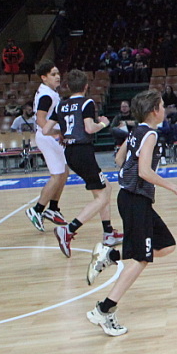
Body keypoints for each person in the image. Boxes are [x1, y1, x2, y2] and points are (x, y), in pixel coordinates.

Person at [85, 89, 177, 336]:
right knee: (142, 258)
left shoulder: (137, 131)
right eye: (162, 106)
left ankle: (110, 256)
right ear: (155, 110)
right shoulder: (150, 134)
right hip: (135, 200)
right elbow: (144, 171)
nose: (164, 110)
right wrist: (176, 188)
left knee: (166, 245)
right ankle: (104, 310)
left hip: (132, 198)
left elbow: (119, 159)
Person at [52, 70, 122, 258]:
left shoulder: (61, 105)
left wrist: (63, 134)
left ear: (68, 86)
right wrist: (104, 124)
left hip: (70, 152)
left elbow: (46, 128)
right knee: (102, 196)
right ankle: (68, 229)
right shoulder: (86, 103)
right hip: (83, 152)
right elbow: (90, 128)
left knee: (104, 189)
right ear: (86, 86)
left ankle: (108, 232)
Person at [25, 62, 68, 232]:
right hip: (47, 137)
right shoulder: (46, 96)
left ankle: (53, 208)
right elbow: (40, 120)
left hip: (50, 136)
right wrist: (55, 133)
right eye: (53, 74)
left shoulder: (50, 92)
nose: (57, 77)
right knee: (57, 175)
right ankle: (37, 210)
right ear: (44, 77)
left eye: (58, 73)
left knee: (64, 172)